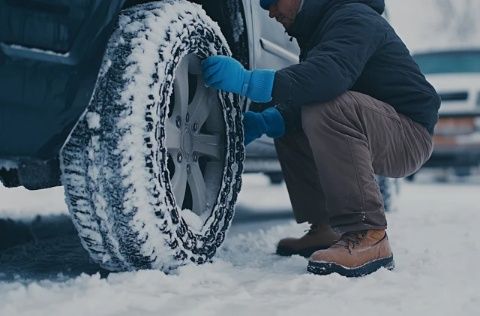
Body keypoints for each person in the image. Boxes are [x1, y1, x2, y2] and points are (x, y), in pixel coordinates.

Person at [201, 0, 440, 277]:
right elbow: (310, 90)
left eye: (272, 0)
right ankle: (324, 227)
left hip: (408, 134)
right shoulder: (319, 28)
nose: (269, 10)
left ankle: (368, 234)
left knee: (325, 105)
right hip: (379, 125)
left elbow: (328, 76)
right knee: (289, 119)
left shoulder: (354, 16)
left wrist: (249, 82)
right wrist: (267, 121)